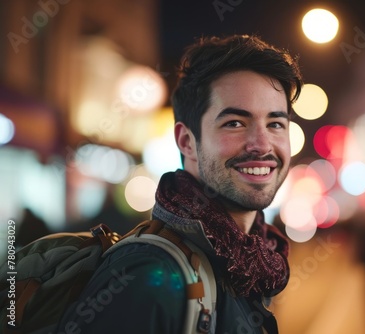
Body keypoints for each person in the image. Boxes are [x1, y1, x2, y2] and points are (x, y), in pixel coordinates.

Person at [56, 34, 303, 333]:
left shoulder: (251, 267)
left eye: (275, 124)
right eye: (235, 123)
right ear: (187, 142)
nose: (262, 144)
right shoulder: (148, 274)